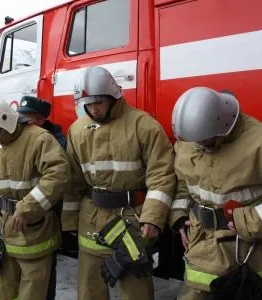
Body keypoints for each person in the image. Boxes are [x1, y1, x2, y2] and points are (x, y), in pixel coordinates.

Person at [169, 87, 262, 300]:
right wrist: (179, 217)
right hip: (202, 247)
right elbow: (183, 184)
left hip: (252, 253)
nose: (197, 145)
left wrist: (250, 222)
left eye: (204, 140)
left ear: (222, 126)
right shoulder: (190, 141)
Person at [61, 66, 176, 299]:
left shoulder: (143, 126)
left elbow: (162, 175)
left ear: (113, 96)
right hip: (91, 218)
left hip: (132, 219)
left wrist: (153, 217)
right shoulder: (77, 130)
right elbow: (73, 180)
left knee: (136, 290)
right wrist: (70, 220)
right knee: (89, 289)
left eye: (99, 102)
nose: (94, 109)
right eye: (88, 103)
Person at [0, 94, 70, 300]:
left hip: (34, 228)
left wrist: (28, 208)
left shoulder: (39, 139)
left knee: (33, 291)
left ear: (7, 120)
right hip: (6, 227)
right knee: (6, 289)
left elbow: (58, 175)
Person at [16, 95, 66, 300]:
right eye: (21, 117)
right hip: (22, 212)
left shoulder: (56, 142)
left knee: (44, 267)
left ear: (41, 120)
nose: (23, 122)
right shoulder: (21, 137)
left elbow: (56, 178)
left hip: (46, 214)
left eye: (28, 118)